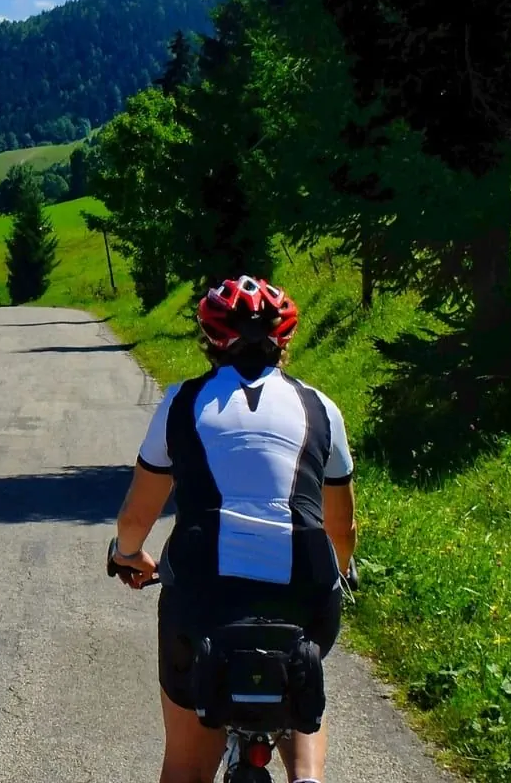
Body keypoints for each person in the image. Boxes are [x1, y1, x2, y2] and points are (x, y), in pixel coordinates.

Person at [109, 275, 358, 783]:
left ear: (209, 340)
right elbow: (341, 526)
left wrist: (127, 554)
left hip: (204, 598)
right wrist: (344, 572)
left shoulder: (182, 404)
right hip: (303, 591)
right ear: (282, 342)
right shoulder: (321, 409)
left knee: (184, 764)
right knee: (300, 658)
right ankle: (307, 777)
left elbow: (137, 517)